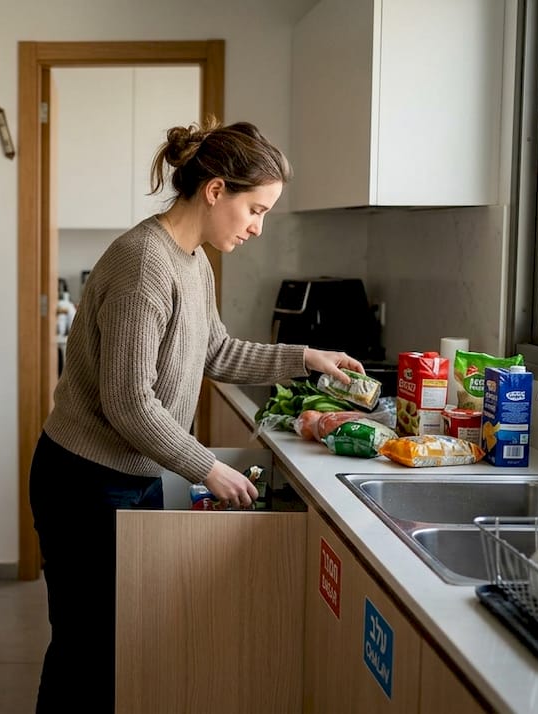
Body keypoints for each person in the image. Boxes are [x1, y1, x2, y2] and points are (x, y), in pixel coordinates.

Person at [28, 118, 364, 713]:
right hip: (84, 481)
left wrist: (307, 358)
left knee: (126, 645)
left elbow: (217, 351)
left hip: (130, 476)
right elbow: (128, 402)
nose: (258, 227)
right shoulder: (143, 265)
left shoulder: (192, 260)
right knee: (88, 652)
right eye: (255, 210)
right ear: (215, 192)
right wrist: (207, 467)